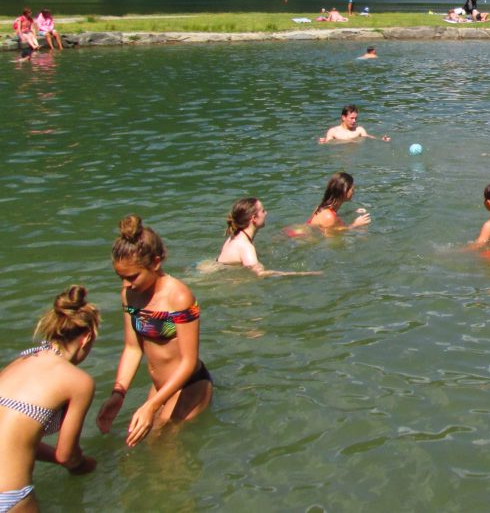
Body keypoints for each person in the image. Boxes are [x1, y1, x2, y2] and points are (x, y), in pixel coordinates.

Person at [98, 216, 211, 446]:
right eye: (121, 278)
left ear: (156, 263)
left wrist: (151, 405)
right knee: (140, 444)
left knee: (163, 450)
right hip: (159, 387)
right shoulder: (129, 294)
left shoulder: (179, 297)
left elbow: (188, 362)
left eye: (132, 277)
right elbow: (132, 348)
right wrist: (118, 394)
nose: (126, 284)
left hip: (188, 386)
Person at [0, 286, 99, 509]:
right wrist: (84, 465)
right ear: (87, 338)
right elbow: (67, 456)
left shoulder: (20, 362)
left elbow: (16, 439)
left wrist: (55, 457)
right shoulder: (79, 382)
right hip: (8, 493)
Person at [216, 198, 320, 277]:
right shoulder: (246, 246)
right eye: (263, 211)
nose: (266, 213)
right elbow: (260, 274)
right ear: (254, 218)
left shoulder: (235, 236)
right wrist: (303, 274)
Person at [307, 172, 372, 230]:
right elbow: (331, 239)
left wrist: (349, 213)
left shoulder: (322, 207)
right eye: (352, 189)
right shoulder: (329, 217)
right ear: (343, 192)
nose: (354, 191)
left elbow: (333, 223)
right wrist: (355, 225)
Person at [318, 104, 390, 143]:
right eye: (352, 118)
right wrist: (323, 142)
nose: (354, 121)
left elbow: (368, 136)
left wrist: (381, 139)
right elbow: (327, 143)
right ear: (344, 117)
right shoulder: (333, 131)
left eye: (355, 118)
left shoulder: (359, 130)